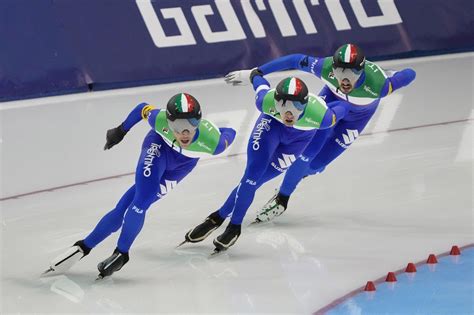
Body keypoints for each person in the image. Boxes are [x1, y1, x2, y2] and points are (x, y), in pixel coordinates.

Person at [44, 93, 236, 278]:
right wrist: (120, 130)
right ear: (168, 122)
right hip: (158, 148)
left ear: (199, 121)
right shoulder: (159, 119)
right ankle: (96, 248)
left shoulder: (213, 143)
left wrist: (219, 133)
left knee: (133, 205)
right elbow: (141, 109)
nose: (184, 132)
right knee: (139, 202)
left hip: (182, 165)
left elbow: (231, 132)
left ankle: (105, 250)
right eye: (177, 125)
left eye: (191, 124)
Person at [224, 43, 416, 222]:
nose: (345, 78)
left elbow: (410, 74)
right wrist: (258, 72)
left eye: (352, 72)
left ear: (361, 71)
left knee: (315, 165)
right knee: (305, 155)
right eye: (340, 71)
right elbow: (295, 60)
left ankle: (302, 176)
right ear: (333, 68)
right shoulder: (325, 67)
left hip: (356, 118)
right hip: (329, 105)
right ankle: (282, 199)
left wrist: (393, 76)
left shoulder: (379, 85)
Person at [180, 72, 347, 253]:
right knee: (251, 177)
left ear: (305, 105)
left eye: (296, 106)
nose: (289, 112)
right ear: (276, 101)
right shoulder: (265, 101)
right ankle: (234, 226)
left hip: (296, 143)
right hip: (270, 128)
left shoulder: (321, 116)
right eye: (283, 104)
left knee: (257, 181)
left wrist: (316, 142)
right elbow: (260, 83)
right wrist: (253, 74)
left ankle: (217, 217)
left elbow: (343, 106)